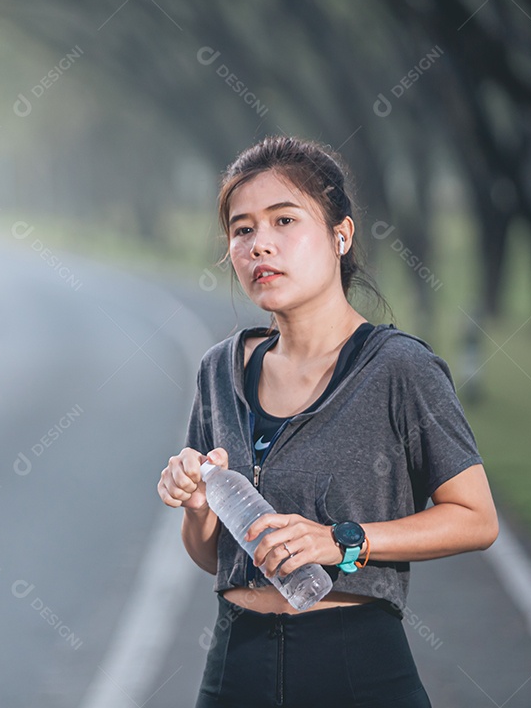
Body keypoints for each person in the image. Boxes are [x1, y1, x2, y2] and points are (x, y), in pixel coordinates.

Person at [157, 135, 499, 708]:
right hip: (234, 667)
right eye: (242, 230)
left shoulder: (399, 367)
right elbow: (212, 555)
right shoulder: (220, 369)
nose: (260, 245)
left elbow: (476, 518)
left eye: (283, 220)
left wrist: (340, 541)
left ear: (341, 235)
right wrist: (197, 509)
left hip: (356, 666)